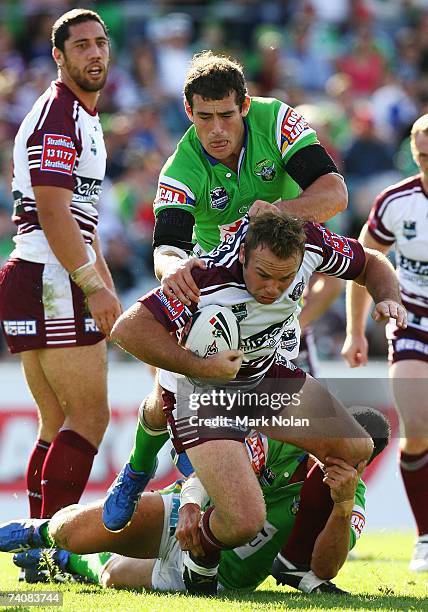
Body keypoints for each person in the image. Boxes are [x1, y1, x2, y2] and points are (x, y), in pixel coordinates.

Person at [103, 50, 348, 531]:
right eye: (204, 117)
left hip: (279, 282)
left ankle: (300, 525)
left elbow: (335, 193)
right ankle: (137, 468)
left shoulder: (277, 121)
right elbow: (167, 247)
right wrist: (173, 268)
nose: (216, 129)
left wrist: (277, 212)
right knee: (165, 394)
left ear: (245, 106)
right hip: (221, 289)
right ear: (189, 112)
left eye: (226, 116)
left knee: (294, 411)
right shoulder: (181, 166)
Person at [109, 210, 405, 592]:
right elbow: (127, 330)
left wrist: (388, 298)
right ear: (244, 253)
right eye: (263, 275)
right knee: (245, 521)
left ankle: (290, 563)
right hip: (205, 394)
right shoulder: (206, 278)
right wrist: (201, 365)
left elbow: (372, 261)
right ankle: (183, 532)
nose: (273, 288)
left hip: (266, 378)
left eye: (285, 278)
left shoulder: (312, 244)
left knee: (356, 448)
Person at [0, 407, 391, 595]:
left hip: (214, 578)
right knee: (77, 530)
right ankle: (37, 532)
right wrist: (188, 506)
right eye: (344, 446)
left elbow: (324, 568)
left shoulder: (351, 500)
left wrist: (340, 508)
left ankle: (67, 563)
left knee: (112, 576)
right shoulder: (282, 443)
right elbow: (210, 470)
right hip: (183, 519)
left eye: (360, 460)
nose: (346, 462)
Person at [0, 9, 121, 526]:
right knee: (89, 418)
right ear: (59, 56)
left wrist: (105, 281)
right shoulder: (59, 115)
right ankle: (57, 545)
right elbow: (53, 212)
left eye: (101, 42)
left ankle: (38, 545)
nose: (95, 53)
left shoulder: (78, 114)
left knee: (57, 419)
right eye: (81, 46)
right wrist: (92, 284)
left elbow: (77, 218)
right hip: (54, 275)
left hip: (38, 272)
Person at [341, 113, 428, 572]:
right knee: (416, 423)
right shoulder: (397, 202)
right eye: (422, 154)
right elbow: (363, 265)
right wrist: (356, 332)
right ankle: (426, 537)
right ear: (413, 153)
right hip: (413, 324)